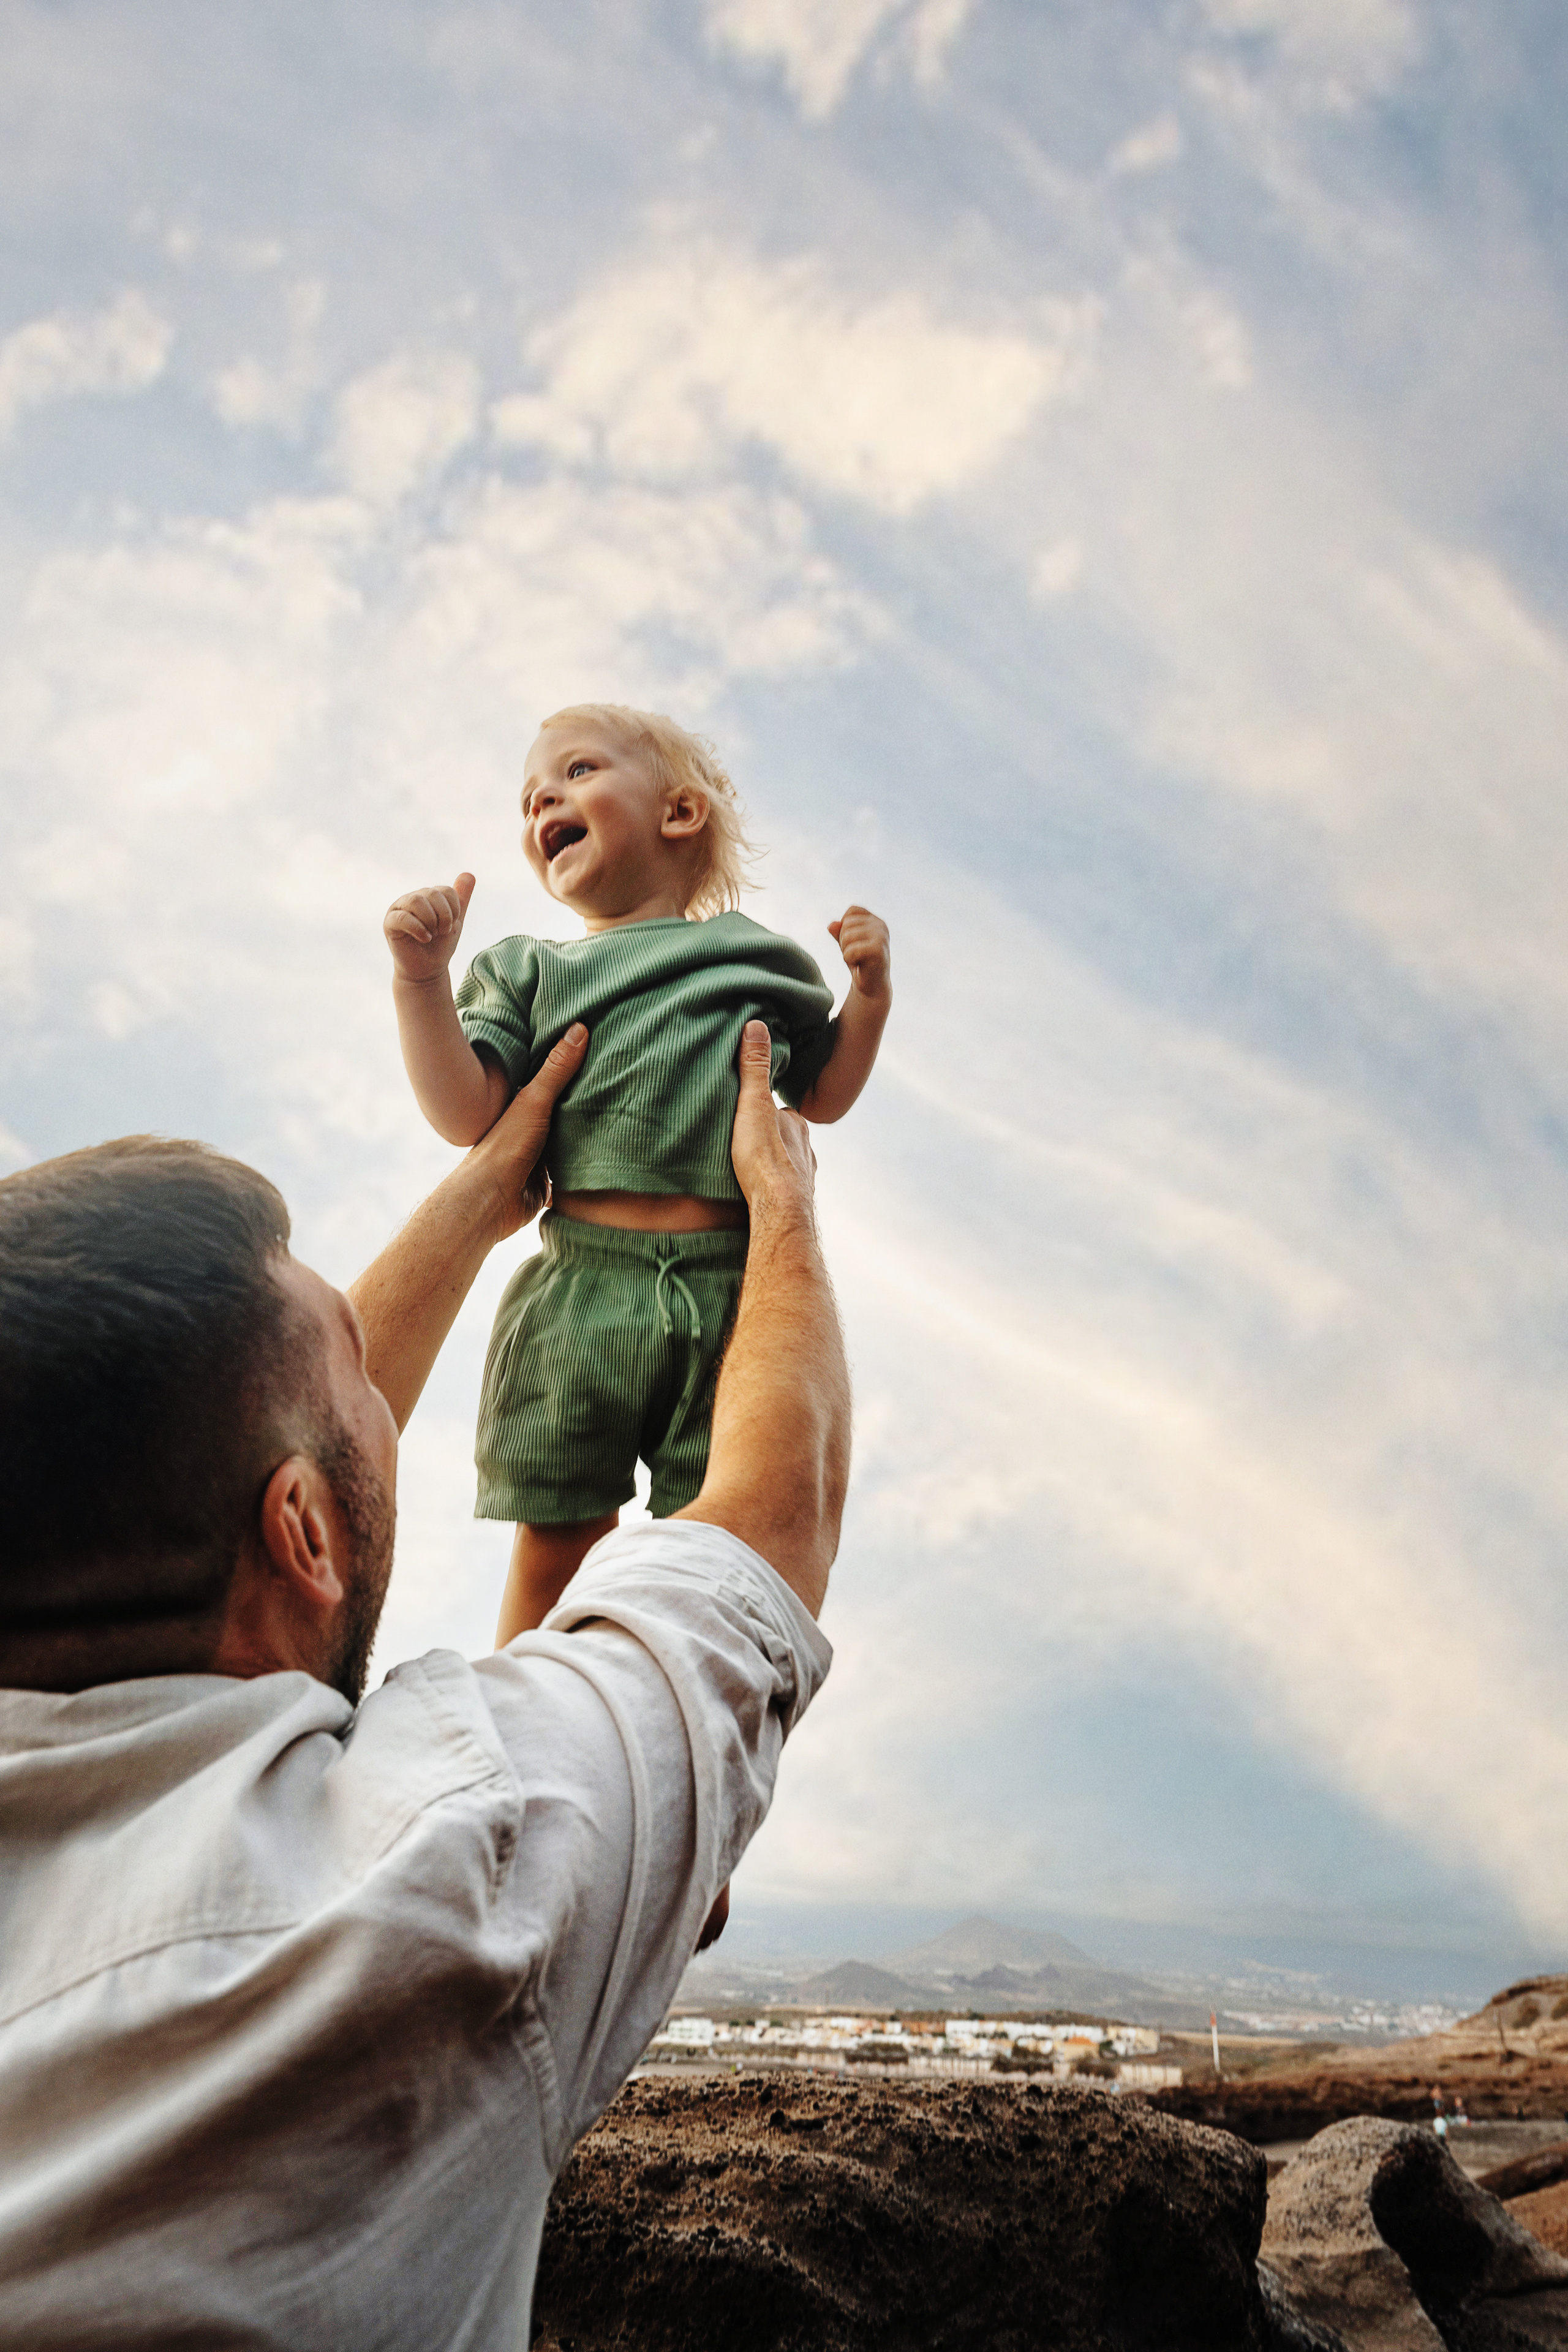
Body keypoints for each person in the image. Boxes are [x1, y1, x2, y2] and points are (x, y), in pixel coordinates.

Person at [0, 1019, 848, 2351]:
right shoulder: (436, 1885)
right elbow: (768, 1515)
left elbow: (271, 1473)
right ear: (300, 1534)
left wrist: (480, 1196)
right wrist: (781, 1202)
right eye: (346, 1347)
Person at [383, 701, 891, 1642]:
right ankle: (521, 1705)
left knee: (715, 1540)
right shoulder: (528, 972)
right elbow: (469, 1114)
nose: (544, 804)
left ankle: (654, 1705)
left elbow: (819, 1093)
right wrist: (423, 986)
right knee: (557, 1535)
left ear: (679, 815)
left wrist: (868, 998)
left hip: (730, 1293)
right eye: (530, 797)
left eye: (575, 774)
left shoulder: (754, 960)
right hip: (582, 1285)